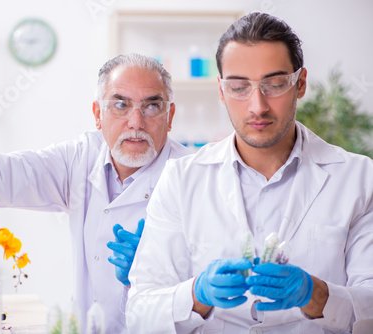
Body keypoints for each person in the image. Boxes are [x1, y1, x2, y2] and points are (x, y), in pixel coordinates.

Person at [0, 53, 192, 333]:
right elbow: (9, 174)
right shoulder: (82, 157)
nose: (136, 122)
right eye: (121, 105)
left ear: (171, 114)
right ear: (98, 114)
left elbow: (211, 295)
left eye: (152, 106)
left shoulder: (194, 179)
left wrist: (153, 274)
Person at [126, 12, 373, 333]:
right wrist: (195, 295)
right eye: (239, 87)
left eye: (274, 84)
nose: (257, 105)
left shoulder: (359, 178)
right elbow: (139, 313)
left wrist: (318, 296)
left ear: (300, 83)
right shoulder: (181, 179)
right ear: (220, 90)